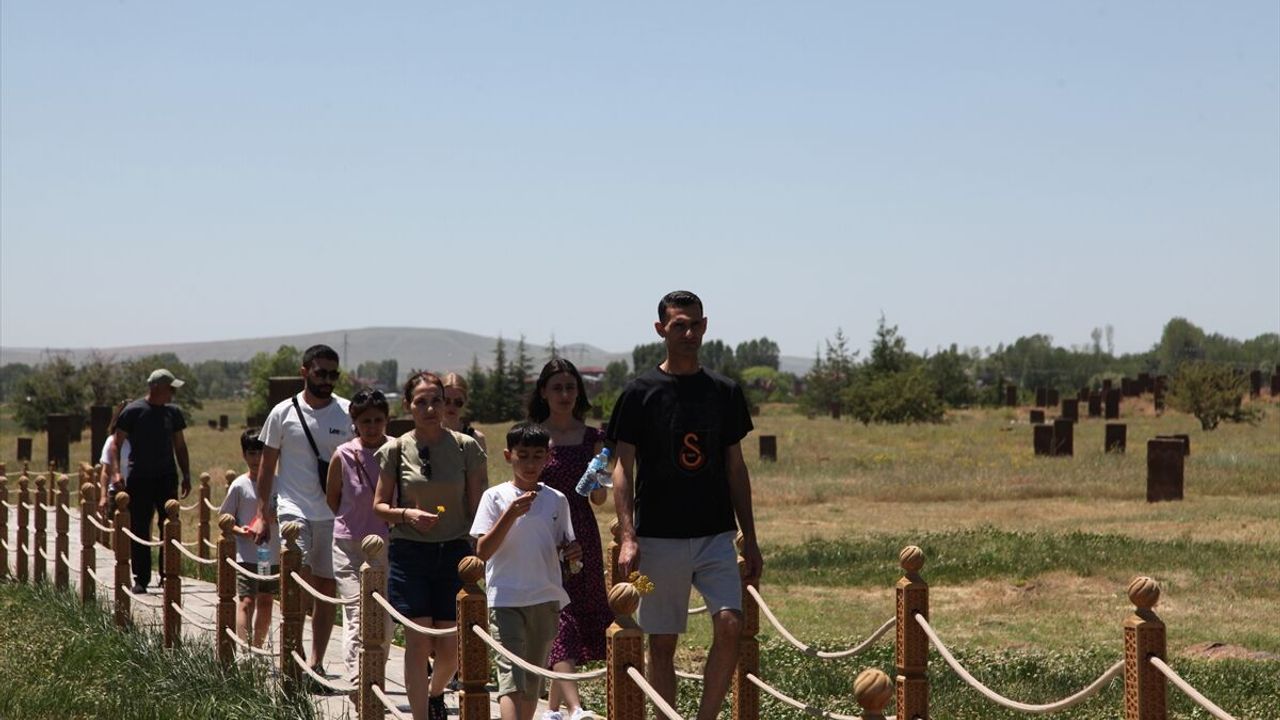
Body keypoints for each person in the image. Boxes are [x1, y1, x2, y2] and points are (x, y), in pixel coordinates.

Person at [607, 290, 764, 720]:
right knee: (661, 642)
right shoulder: (639, 392)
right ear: (661, 329)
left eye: (695, 324)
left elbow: (736, 467)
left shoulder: (724, 392)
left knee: (731, 624)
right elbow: (622, 467)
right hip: (657, 538)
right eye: (679, 325)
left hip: (715, 533)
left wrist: (749, 538)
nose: (689, 332)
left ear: (706, 326)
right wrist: (628, 535)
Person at [374, 371, 487, 720]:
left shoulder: (466, 447)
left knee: (451, 647)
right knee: (418, 641)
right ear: (408, 405)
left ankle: (436, 692)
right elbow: (379, 505)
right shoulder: (394, 448)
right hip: (410, 553)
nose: (429, 407)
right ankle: (420, 715)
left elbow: (479, 506)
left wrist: (479, 550)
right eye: (420, 401)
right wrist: (406, 514)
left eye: (436, 400)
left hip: (454, 553)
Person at [254, 344, 354, 674]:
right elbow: (267, 467)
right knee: (298, 581)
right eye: (320, 373)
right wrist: (261, 513)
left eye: (333, 374)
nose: (327, 380)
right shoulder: (282, 413)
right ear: (304, 372)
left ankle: (317, 660)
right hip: (293, 511)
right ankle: (292, 656)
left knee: (326, 589)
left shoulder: (347, 412)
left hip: (332, 513)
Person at [471, 422, 580, 720]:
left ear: (548, 457)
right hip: (505, 598)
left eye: (537, 456)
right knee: (511, 682)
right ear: (509, 456)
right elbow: (482, 550)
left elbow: (565, 546)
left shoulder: (556, 499)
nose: (530, 464)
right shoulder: (494, 497)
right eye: (523, 456)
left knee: (532, 682)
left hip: (545, 599)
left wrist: (573, 552)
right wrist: (510, 514)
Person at [527, 359, 611, 720]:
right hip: (543, 532)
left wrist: (596, 478)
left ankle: (553, 710)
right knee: (558, 614)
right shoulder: (533, 437)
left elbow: (598, 499)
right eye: (557, 387)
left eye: (570, 387)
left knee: (579, 611)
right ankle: (575, 708)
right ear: (543, 392)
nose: (564, 395)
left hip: (583, 533)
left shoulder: (594, 438)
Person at [326, 388, 391, 683]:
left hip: (385, 543)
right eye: (366, 421)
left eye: (378, 420)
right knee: (357, 610)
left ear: (387, 420)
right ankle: (356, 678)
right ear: (355, 422)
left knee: (383, 615)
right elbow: (333, 498)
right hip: (348, 543)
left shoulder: (397, 451)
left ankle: (374, 673)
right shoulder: (343, 455)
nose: (372, 427)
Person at [110, 369, 192, 593]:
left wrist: (186, 474)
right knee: (139, 528)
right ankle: (141, 578)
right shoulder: (134, 411)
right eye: (170, 389)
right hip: (140, 478)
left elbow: (180, 445)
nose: (173, 394)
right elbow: (116, 443)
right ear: (157, 388)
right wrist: (117, 473)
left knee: (169, 525)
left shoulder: (173, 413)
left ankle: (169, 574)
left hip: (166, 476)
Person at [220, 429, 280, 647]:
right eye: (252, 453)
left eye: (262, 454)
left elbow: (287, 514)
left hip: (269, 555)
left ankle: (258, 647)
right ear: (244, 455)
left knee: (266, 600)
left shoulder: (279, 483)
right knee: (246, 600)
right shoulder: (239, 485)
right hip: (245, 554)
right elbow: (225, 519)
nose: (257, 459)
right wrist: (241, 531)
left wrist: (273, 518)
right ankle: (244, 649)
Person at [98, 400, 131, 519]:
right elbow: (106, 471)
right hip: (118, 492)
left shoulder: (141, 441)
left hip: (138, 491)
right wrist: (103, 496)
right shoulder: (112, 441)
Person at [441, 372, 488, 454]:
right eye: (446, 401)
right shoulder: (425, 436)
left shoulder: (476, 439)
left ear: (465, 403)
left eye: (458, 402)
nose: (452, 407)